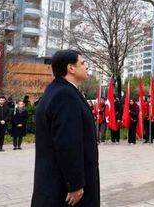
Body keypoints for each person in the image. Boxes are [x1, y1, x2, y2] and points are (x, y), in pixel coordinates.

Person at [31, 49, 99, 207]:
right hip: (64, 189)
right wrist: (74, 184)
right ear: (71, 68)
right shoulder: (65, 95)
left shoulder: (56, 90)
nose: (86, 67)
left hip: (53, 181)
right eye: (82, 63)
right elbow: (67, 142)